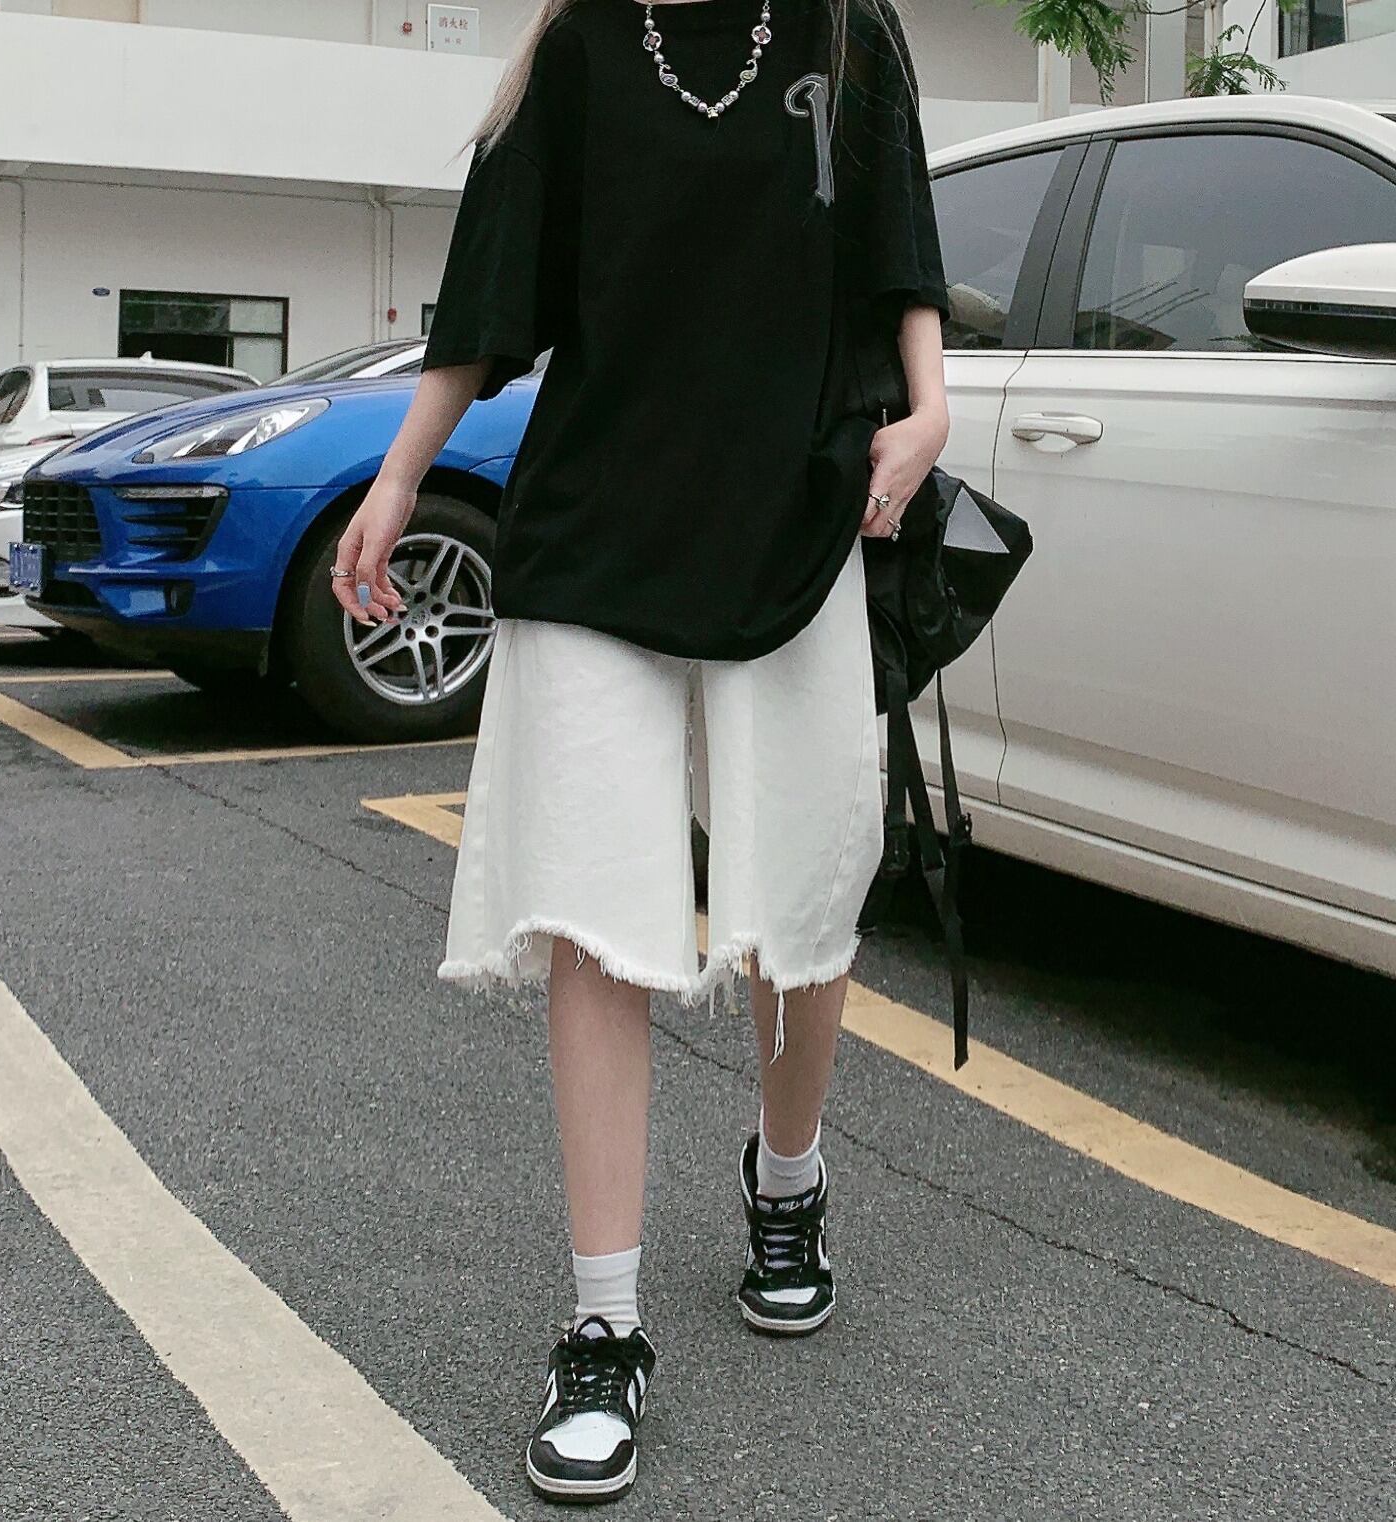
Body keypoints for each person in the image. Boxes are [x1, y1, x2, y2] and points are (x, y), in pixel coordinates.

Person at [330, 0, 948, 1503]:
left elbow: (897, 242)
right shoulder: (584, 47)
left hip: (794, 516)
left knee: (801, 896)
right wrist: (398, 478)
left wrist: (930, 406)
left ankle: (786, 1176)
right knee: (594, 909)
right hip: (595, 531)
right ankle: (604, 1323)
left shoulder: (844, 29)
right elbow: (493, 289)